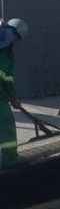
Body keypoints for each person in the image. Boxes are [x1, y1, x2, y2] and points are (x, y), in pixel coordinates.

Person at [0, 18, 28, 169]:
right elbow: (7, 79)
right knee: (7, 125)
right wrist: (13, 98)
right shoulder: (6, 52)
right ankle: (10, 159)